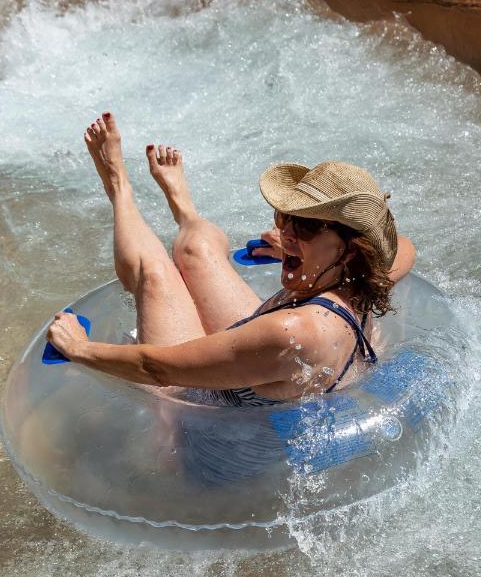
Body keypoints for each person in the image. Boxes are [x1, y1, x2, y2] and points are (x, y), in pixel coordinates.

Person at [46, 112, 417, 405]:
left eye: (305, 227)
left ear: (350, 248)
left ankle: (118, 185)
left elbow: (155, 368)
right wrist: (295, 246)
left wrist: (79, 348)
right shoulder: (365, 278)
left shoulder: (293, 332)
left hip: (193, 415)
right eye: (285, 217)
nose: (286, 231)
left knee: (155, 272)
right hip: (267, 365)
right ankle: (185, 210)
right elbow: (406, 245)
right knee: (197, 250)